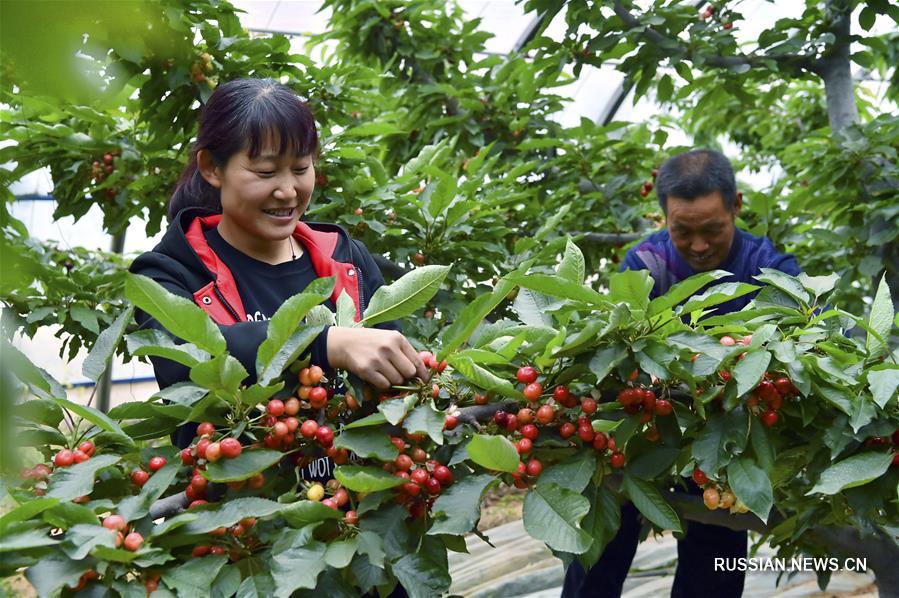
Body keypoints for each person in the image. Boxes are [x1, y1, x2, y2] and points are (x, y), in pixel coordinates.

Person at [130, 78, 429, 458]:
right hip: (237, 507)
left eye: (301, 168)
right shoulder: (167, 274)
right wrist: (323, 343)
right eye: (266, 172)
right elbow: (184, 359)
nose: (288, 191)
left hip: (357, 506)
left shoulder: (345, 259)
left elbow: (396, 381)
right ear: (212, 167)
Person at [562, 149, 800, 598]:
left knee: (714, 563)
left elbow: (811, 333)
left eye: (712, 229)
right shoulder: (644, 265)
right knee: (600, 548)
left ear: (737, 206)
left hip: (726, 448)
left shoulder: (771, 270)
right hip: (643, 437)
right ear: (663, 216)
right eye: (682, 231)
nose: (698, 245)